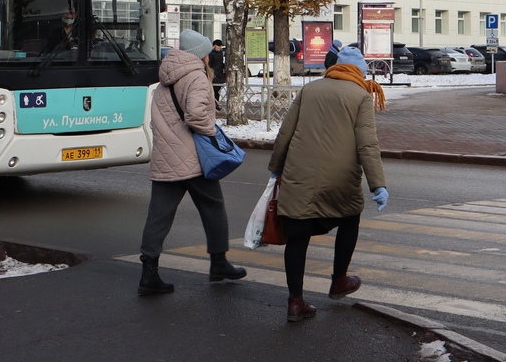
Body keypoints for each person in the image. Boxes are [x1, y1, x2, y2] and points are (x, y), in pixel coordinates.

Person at [268, 46, 387, 322]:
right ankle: (339, 280)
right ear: (360, 71)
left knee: (297, 236)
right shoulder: (360, 96)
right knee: (349, 219)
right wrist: (377, 185)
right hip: (340, 179)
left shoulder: (310, 90)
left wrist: (275, 169)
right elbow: (367, 145)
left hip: (299, 176)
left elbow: (285, 132)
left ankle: (295, 302)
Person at [137, 29, 246, 295]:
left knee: (158, 216)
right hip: (192, 158)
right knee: (214, 207)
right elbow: (196, 116)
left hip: (167, 156)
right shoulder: (196, 76)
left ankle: (148, 273)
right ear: (201, 54)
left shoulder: (165, 79)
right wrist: (212, 133)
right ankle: (219, 262)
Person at [208, 39, 226, 109]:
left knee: (218, 91)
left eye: (220, 46)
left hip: (220, 74)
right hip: (214, 75)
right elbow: (210, 64)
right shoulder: (211, 54)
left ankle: (216, 103)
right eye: (218, 46)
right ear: (214, 46)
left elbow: (221, 63)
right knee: (214, 90)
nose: (220, 47)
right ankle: (214, 104)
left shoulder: (221, 52)